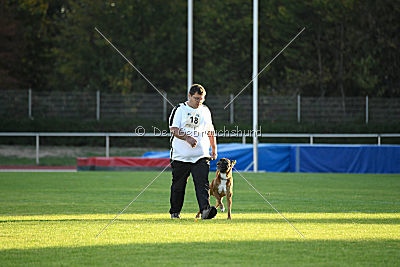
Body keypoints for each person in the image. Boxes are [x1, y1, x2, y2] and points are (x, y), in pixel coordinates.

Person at [168, 84, 218, 219]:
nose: (199, 102)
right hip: (180, 157)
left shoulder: (205, 110)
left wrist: (214, 148)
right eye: (196, 98)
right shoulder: (180, 109)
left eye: (201, 99)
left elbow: (210, 130)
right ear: (189, 96)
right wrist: (187, 138)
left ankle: (205, 211)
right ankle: (175, 212)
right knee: (178, 186)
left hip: (201, 155)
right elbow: (174, 129)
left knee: (203, 185)